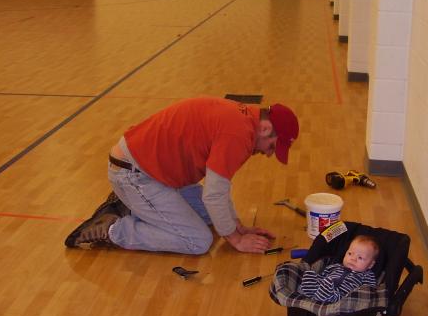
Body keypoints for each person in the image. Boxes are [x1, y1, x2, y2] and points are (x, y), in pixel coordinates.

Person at [65, 96, 299, 254]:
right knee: (197, 241)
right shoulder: (238, 134)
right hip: (135, 175)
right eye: (272, 147)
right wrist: (236, 240)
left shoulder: (243, 118)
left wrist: (237, 226)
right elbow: (214, 195)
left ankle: (130, 205)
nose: (267, 154)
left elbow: (219, 186)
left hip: (150, 171)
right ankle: (113, 229)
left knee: (214, 219)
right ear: (266, 129)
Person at [298, 234, 379, 303]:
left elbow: (369, 291)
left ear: (370, 265)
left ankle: (320, 296)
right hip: (323, 286)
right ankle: (309, 290)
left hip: (342, 297)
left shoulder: (367, 275)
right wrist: (317, 279)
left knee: (329, 287)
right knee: (311, 275)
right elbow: (323, 275)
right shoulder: (335, 266)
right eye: (350, 253)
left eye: (360, 258)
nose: (353, 259)